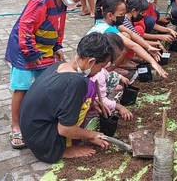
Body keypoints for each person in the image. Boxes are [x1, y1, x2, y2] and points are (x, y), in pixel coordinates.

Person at [5, 0, 94, 149]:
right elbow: (26, 26)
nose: (78, 2)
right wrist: (31, 52)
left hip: (45, 50)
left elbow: (58, 26)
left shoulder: (62, 2)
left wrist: (57, 46)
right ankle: (16, 126)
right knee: (21, 88)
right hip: (25, 52)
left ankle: (40, 118)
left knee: (43, 85)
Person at [19, 33, 113, 163]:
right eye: (101, 67)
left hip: (30, 130)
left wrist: (90, 102)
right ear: (91, 61)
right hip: (43, 144)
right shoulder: (76, 82)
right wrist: (92, 135)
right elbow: (65, 129)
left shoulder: (60, 65)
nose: (100, 71)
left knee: (89, 92)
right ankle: (62, 150)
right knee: (88, 87)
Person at [87, 0, 168, 78]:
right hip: (93, 64)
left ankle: (111, 68)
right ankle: (108, 70)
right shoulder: (106, 28)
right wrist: (153, 62)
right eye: (121, 15)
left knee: (126, 35)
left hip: (95, 60)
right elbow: (132, 45)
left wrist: (148, 47)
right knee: (124, 40)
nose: (123, 17)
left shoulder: (108, 22)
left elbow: (132, 34)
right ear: (110, 15)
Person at [88, 33, 133, 121]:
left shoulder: (98, 67)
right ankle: (93, 115)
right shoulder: (98, 74)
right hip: (89, 107)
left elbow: (107, 71)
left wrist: (120, 77)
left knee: (113, 76)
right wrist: (119, 107)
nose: (114, 60)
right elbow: (99, 99)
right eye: (114, 57)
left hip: (94, 96)